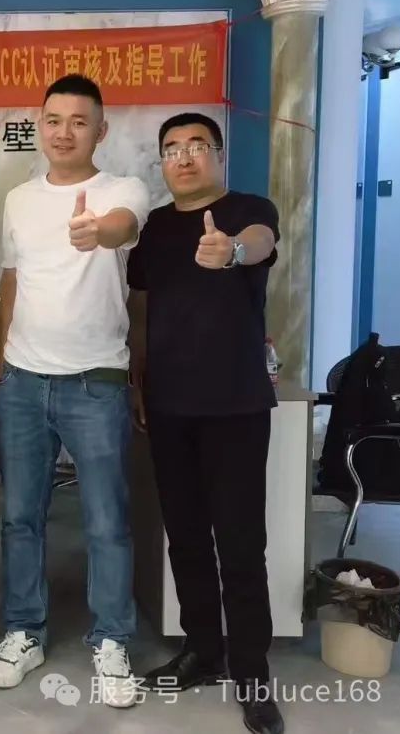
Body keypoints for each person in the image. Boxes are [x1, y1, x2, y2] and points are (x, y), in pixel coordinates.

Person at [0, 75, 150, 708]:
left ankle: (112, 640)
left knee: (107, 520)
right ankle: (23, 630)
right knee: (20, 517)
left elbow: (121, 227)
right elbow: (11, 279)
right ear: (40, 125)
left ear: (100, 131)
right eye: (54, 120)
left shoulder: (123, 190)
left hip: (96, 382)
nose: (64, 132)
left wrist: (96, 232)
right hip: (22, 381)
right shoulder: (19, 199)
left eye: (79, 122)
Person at [127, 113, 283, 734]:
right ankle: (202, 649)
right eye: (172, 149)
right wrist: (138, 377)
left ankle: (252, 672)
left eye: (197, 145)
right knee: (186, 537)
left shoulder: (248, 209)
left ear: (217, 154)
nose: (184, 157)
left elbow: (261, 241)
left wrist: (233, 251)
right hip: (169, 406)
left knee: (240, 544)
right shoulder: (155, 228)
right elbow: (141, 307)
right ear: (162, 162)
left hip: (236, 406)